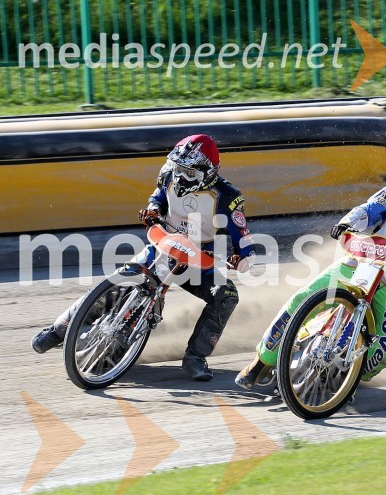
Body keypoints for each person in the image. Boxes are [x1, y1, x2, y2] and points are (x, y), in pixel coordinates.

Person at [236, 152, 386, 391]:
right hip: (358, 263)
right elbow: (369, 209)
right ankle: (261, 362)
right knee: (301, 299)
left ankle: (348, 377)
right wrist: (348, 223)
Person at [31, 134, 255, 380]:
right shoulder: (168, 175)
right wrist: (153, 210)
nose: (181, 176)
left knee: (227, 296)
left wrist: (244, 258)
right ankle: (59, 329)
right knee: (116, 282)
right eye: (178, 168)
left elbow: (242, 235)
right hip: (162, 245)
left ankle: (195, 357)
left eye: (190, 173)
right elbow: (157, 198)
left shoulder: (229, 197)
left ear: (209, 172)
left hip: (198, 260)